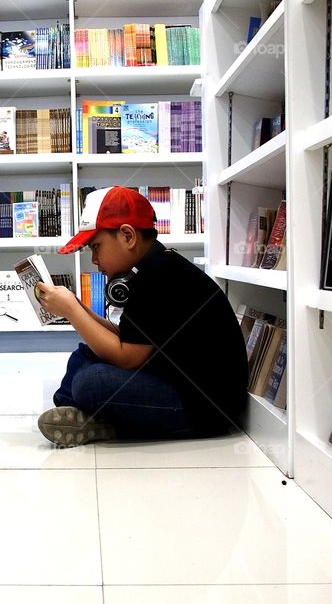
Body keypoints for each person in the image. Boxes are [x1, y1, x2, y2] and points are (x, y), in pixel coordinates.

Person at [34, 186, 249, 447]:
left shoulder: (158, 276)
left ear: (127, 236)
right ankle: (79, 415)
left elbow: (126, 358)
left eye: (96, 247)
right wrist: (80, 309)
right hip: (174, 382)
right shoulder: (153, 267)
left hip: (202, 410)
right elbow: (126, 338)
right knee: (85, 353)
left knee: (90, 382)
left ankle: (88, 416)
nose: (94, 260)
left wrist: (72, 311)